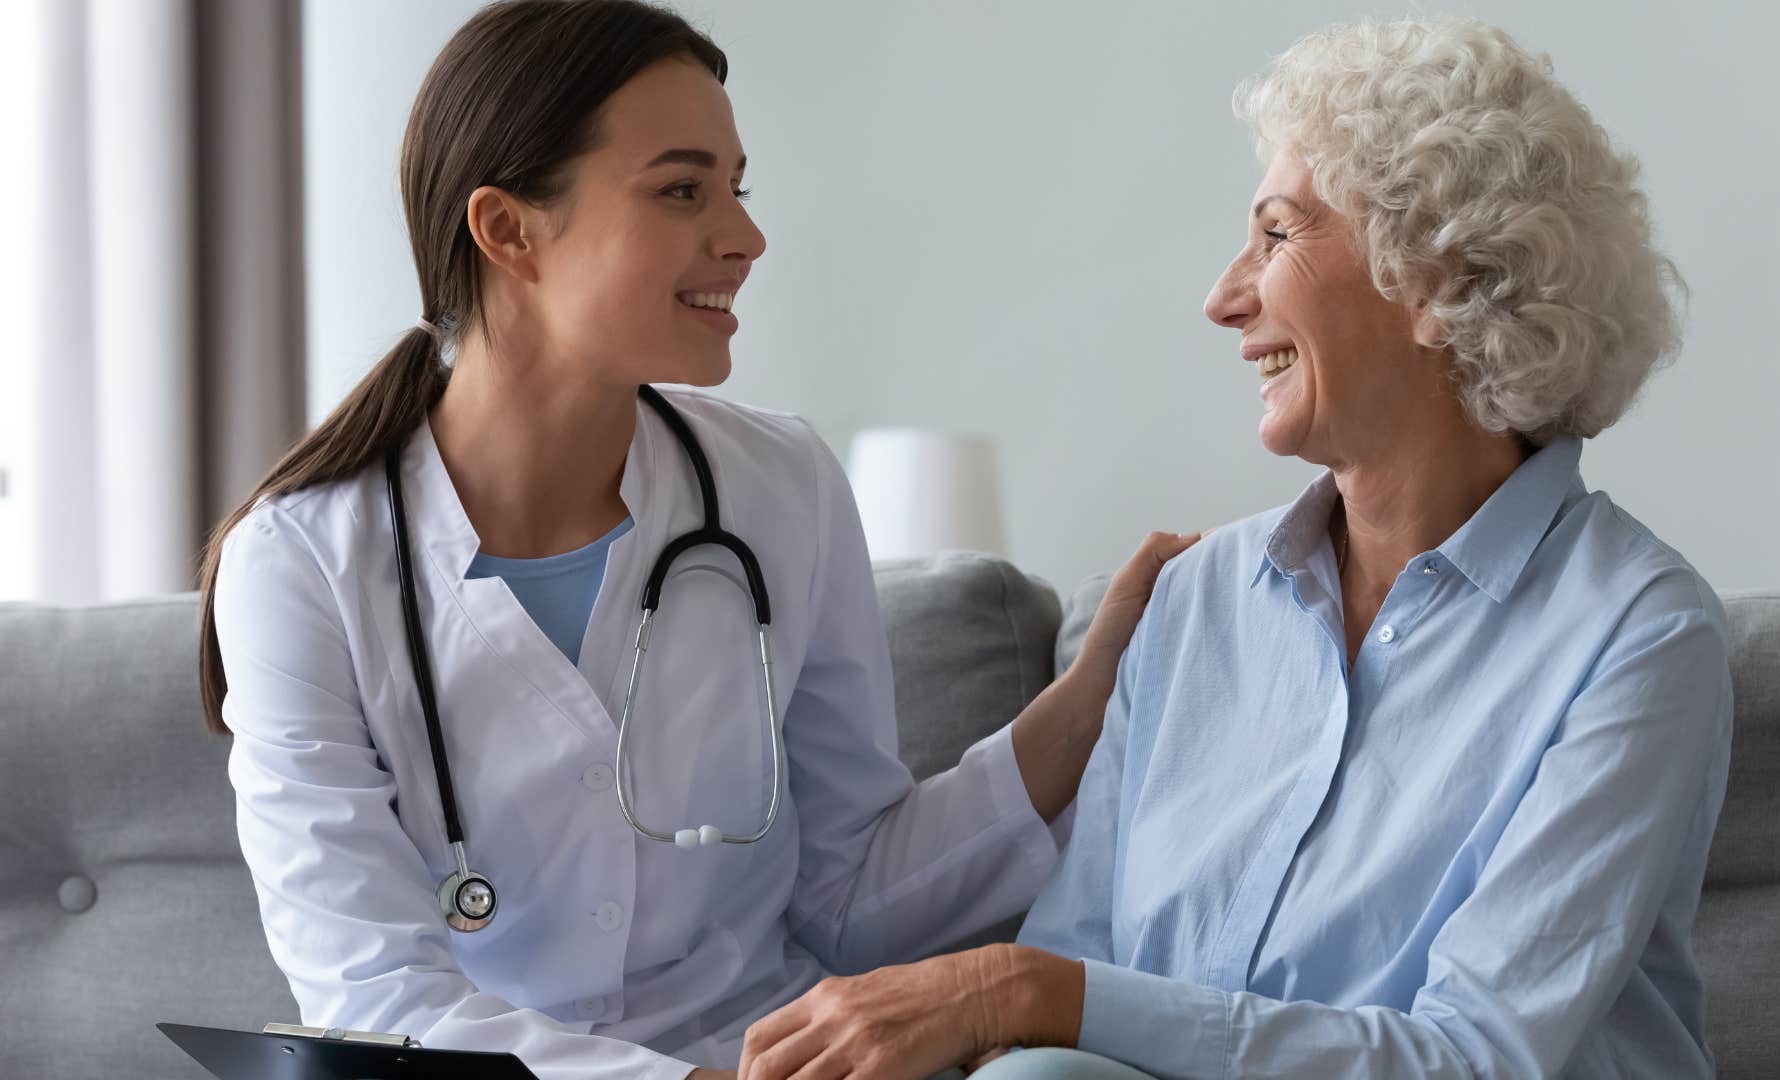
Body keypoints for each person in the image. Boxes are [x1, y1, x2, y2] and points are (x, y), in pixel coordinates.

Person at [198, 3, 1194, 1078]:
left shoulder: (782, 486)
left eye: (736, 186)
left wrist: (1089, 701)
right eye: (682, 190)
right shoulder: (298, 564)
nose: (745, 236)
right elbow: (375, 994)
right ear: (508, 230)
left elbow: (851, 896)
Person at [736, 16, 1732, 1080]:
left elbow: (1477, 1060)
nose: (1224, 298)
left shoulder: (1637, 631)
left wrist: (1018, 989)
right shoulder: (1195, 602)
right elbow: (1074, 998)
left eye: (1276, 234)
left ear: (1436, 278)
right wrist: (1035, 1001)